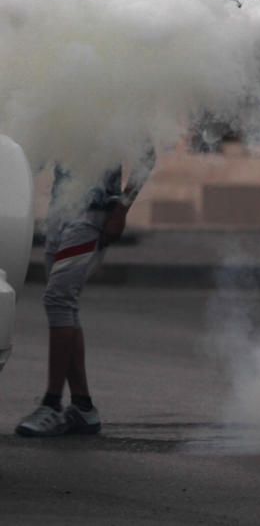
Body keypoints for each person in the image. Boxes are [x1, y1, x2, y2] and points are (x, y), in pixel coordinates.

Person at [15, 151, 155, 437]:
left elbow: (147, 155)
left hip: (92, 216)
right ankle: (83, 407)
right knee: (64, 305)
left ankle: (52, 405)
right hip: (60, 211)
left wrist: (120, 211)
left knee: (58, 300)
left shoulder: (120, 108)